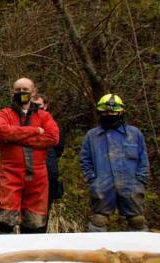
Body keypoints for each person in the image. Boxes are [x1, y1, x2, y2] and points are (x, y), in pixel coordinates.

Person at [0, 78, 59, 234]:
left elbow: (52, 138)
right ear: (12, 92)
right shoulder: (4, 114)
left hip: (38, 176)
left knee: (34, 222)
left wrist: (16, 138)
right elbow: (3, 132)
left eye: (25, 89)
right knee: (6, 220)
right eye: (18, 90)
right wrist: (35, 131)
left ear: (34, 92)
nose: (21, 93)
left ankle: (31, 256)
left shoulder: (44, 116)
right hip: (11, 173)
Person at [79, 94, 149, 232]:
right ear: (99, 112)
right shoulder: (92, 136)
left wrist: (140, 181)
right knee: (98, 221)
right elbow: (85, 161)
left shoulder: (134, 134)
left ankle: (137, 251)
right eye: (105, 112)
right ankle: (97, 252)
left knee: (137, 221)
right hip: (102, 186)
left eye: (112, 111)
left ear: (121, 112)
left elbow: (143, 160)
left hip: (131, 185)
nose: (108, 114)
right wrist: (93, 180)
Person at [32, 93, 65, 232]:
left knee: (44, 211)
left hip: (49, 174)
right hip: (28, 174)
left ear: (45, 106)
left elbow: (59, 148)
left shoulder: (53, 125)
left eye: (38, 105)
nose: (36, 108)